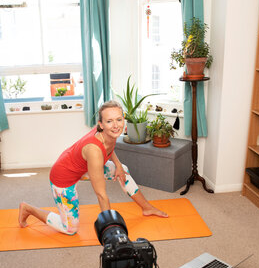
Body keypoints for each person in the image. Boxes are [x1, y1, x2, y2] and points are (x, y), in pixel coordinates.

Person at [19, 100, 168, 235]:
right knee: (70, 229)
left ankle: (146, 207)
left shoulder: (109, 134)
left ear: (124, 119)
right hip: (64, 176)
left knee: (123, 170)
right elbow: (101, 194)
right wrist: (111, 228)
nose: (116, 125)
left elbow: (108, 149)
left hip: (83, 165)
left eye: (119, 119)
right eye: (109, 121)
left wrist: (117, 165)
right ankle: (28, 209)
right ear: (101, 124)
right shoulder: (94, 150)